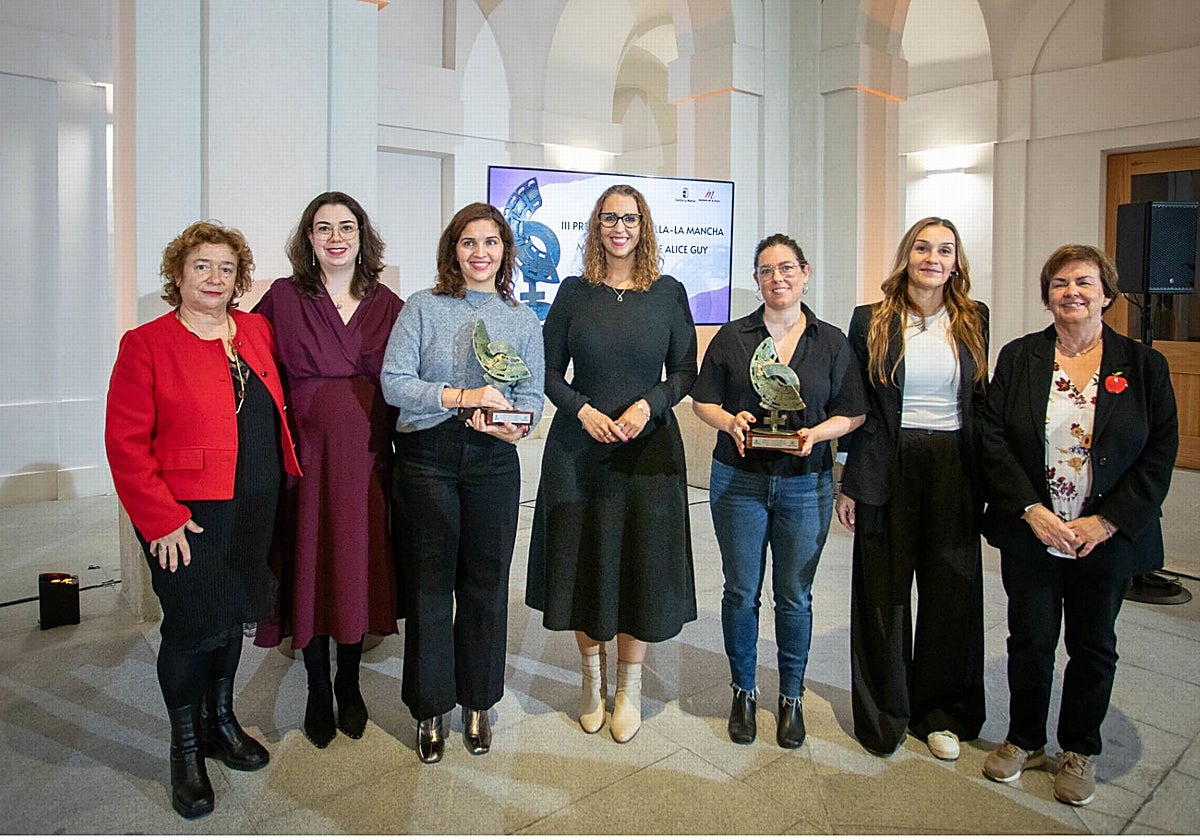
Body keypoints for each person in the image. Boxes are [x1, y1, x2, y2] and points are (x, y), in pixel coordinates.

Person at [104, 221, 301, 818]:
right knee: (192, 627)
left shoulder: (257, 330)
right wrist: (159, 518)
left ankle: (221, 722)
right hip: (185, 514)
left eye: (226, 269)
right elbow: (125, 443)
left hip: (253, 504)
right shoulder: (147, 344)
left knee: (233, 613)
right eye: (201, 267)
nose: (214, 278)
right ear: (179, 275)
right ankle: (184, 748)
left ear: (239, 278)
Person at [978, 244, 1177, 807]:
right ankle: (1024, 739)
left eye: (1084, 283)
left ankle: (1080, 747)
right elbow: (993, 439)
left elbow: (1160, 452)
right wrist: (1030, 510)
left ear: (1106, 295)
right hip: (1035, 530)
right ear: (1047, 296)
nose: (1072, 292)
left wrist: (1107, 523)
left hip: (1102, 538)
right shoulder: (1020, 358)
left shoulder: (1143, 365)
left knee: (1093, 645)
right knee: (1032, 641)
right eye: (1061, 283)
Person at [526, 184, 698, 744]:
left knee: (640, 565)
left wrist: (650, 404)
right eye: (608, 218)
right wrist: (583, 412)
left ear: (643, 226)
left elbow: (684, 371)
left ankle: (629, 687)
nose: (618, 227)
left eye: (629, 218)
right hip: (581, 451)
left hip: (648, 451)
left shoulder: (668, 293)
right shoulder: (574, 294)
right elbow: (549, 373)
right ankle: (590, 679)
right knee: (584, 560)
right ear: (596, 227)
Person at [381, 202, 544, 763]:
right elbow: (394, 383)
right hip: (428, 457)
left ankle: (478, 702)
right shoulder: (422, 308)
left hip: (493, 461)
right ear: (454, 249)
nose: (480, 253)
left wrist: (512, 425)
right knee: (430, 588)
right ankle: (430, 708)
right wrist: (458, 397)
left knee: (485, 585)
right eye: (469, 242)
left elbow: (532, 398)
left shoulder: (521, 319)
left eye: (491, 243)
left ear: (505, 252)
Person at [692, 234, 866, 748]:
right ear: (756, 279)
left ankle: (791, 696)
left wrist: (816, 434)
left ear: (805, 272)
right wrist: (730, 421)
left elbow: (853, 411)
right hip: (739, 481)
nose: (778, 278)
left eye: (787, 268)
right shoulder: (733, 337)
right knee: (741, 592)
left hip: (805, 484)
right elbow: (704, 401)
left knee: (794, 597)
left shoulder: (831, 341)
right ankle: (743, 690)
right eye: (767, 270)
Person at [252, 192, 403, 748]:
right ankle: (317, 685)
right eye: (323, 228)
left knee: (355, 566)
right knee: (309, 567)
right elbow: (250, 367)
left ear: (363, 236)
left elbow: (412, 378)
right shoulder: (284, 298)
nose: (336, 237)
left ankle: (350, 680)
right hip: (303, 460)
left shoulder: (388, 303)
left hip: (366, 458)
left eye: (346, 227)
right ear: (308, 239)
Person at [836, 216, 990, 761]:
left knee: (952, 592)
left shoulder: (974, 318)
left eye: (945, 250)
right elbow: (854, 408)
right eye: (923, 247)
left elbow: (977, 404)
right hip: (885, 466)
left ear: (956, 262)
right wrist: (848, 482)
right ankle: (884, 713)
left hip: (953, 467)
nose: (933, 258)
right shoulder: (870, 320)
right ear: (907, 254)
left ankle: (942, 714)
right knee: (882, 595)